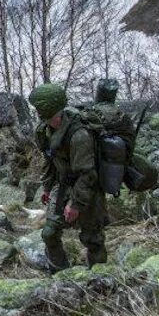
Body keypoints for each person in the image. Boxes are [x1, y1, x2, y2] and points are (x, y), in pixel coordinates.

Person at [28, 82, 106, 270]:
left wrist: (75, 204)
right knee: (49, 233)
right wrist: (47, 187)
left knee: (92, 239)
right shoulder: (44, 131)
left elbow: (88, 174)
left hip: (88, 189)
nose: (38, 112)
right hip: (62, 186)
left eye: (40, 108)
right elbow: (51, 160)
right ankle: (60, 273)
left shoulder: (79, 135)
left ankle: (101, 280)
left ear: (51, 107)